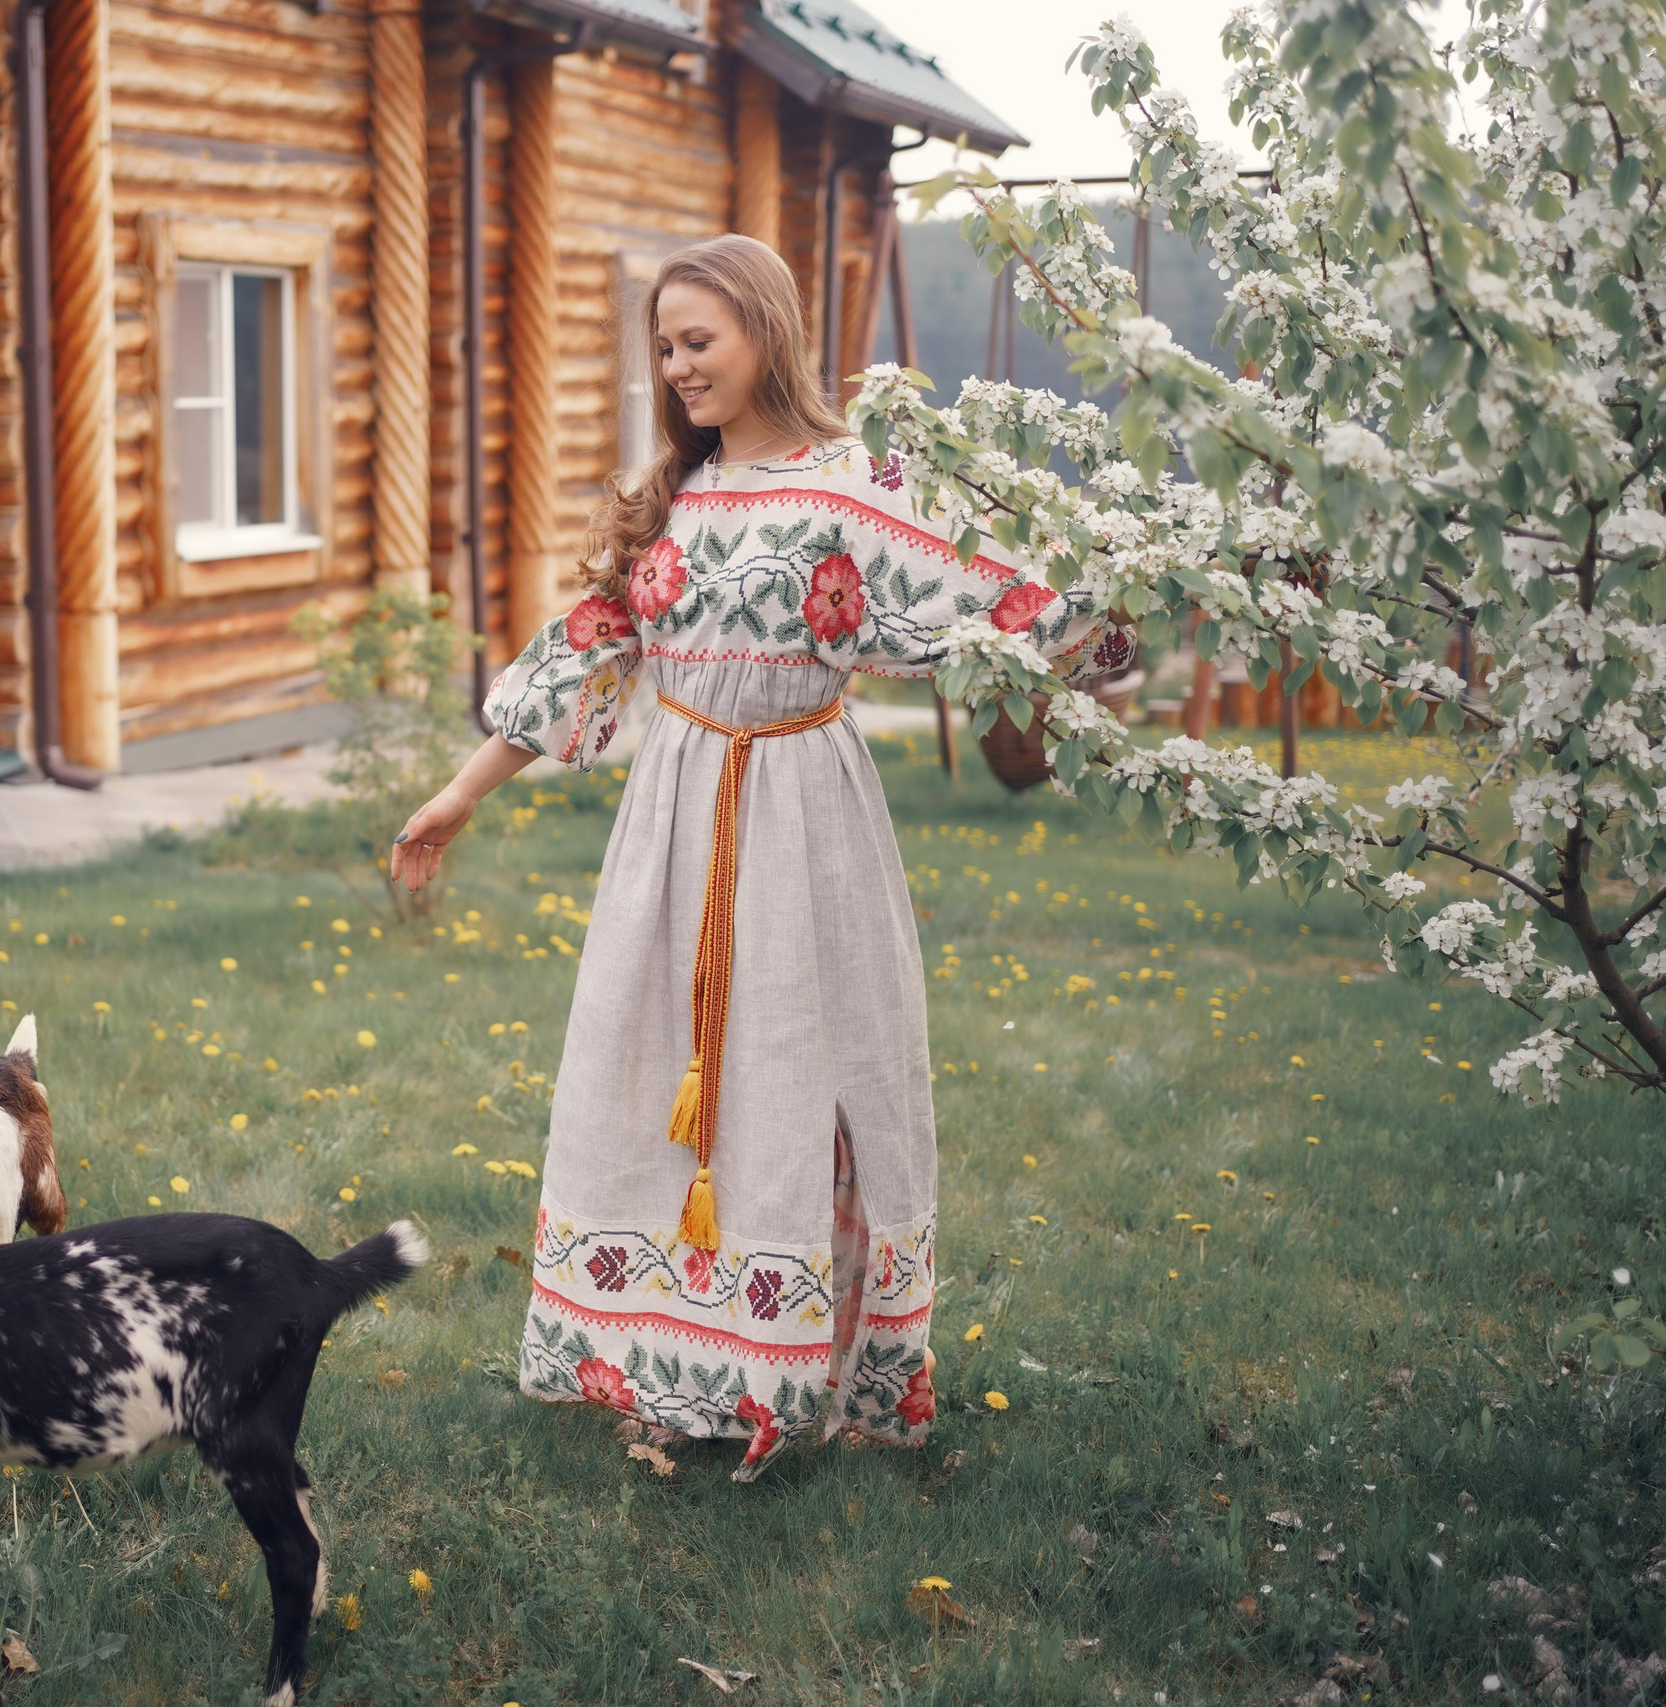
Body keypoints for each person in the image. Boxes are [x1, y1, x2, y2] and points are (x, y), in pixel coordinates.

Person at [389, 234, 1129, 1482]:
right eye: (664, 347)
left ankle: (807, 1364)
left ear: (767, 335)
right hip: (671, 827)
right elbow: (584, 649)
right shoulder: (667, 502)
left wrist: (1123, 593)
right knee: (656, 1077)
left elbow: (995, 595)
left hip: (803, 820)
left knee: (801, 1073)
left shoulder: (854, 489)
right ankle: (677, 1363)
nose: (678, 366)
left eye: (699, 341)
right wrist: (460, 793)